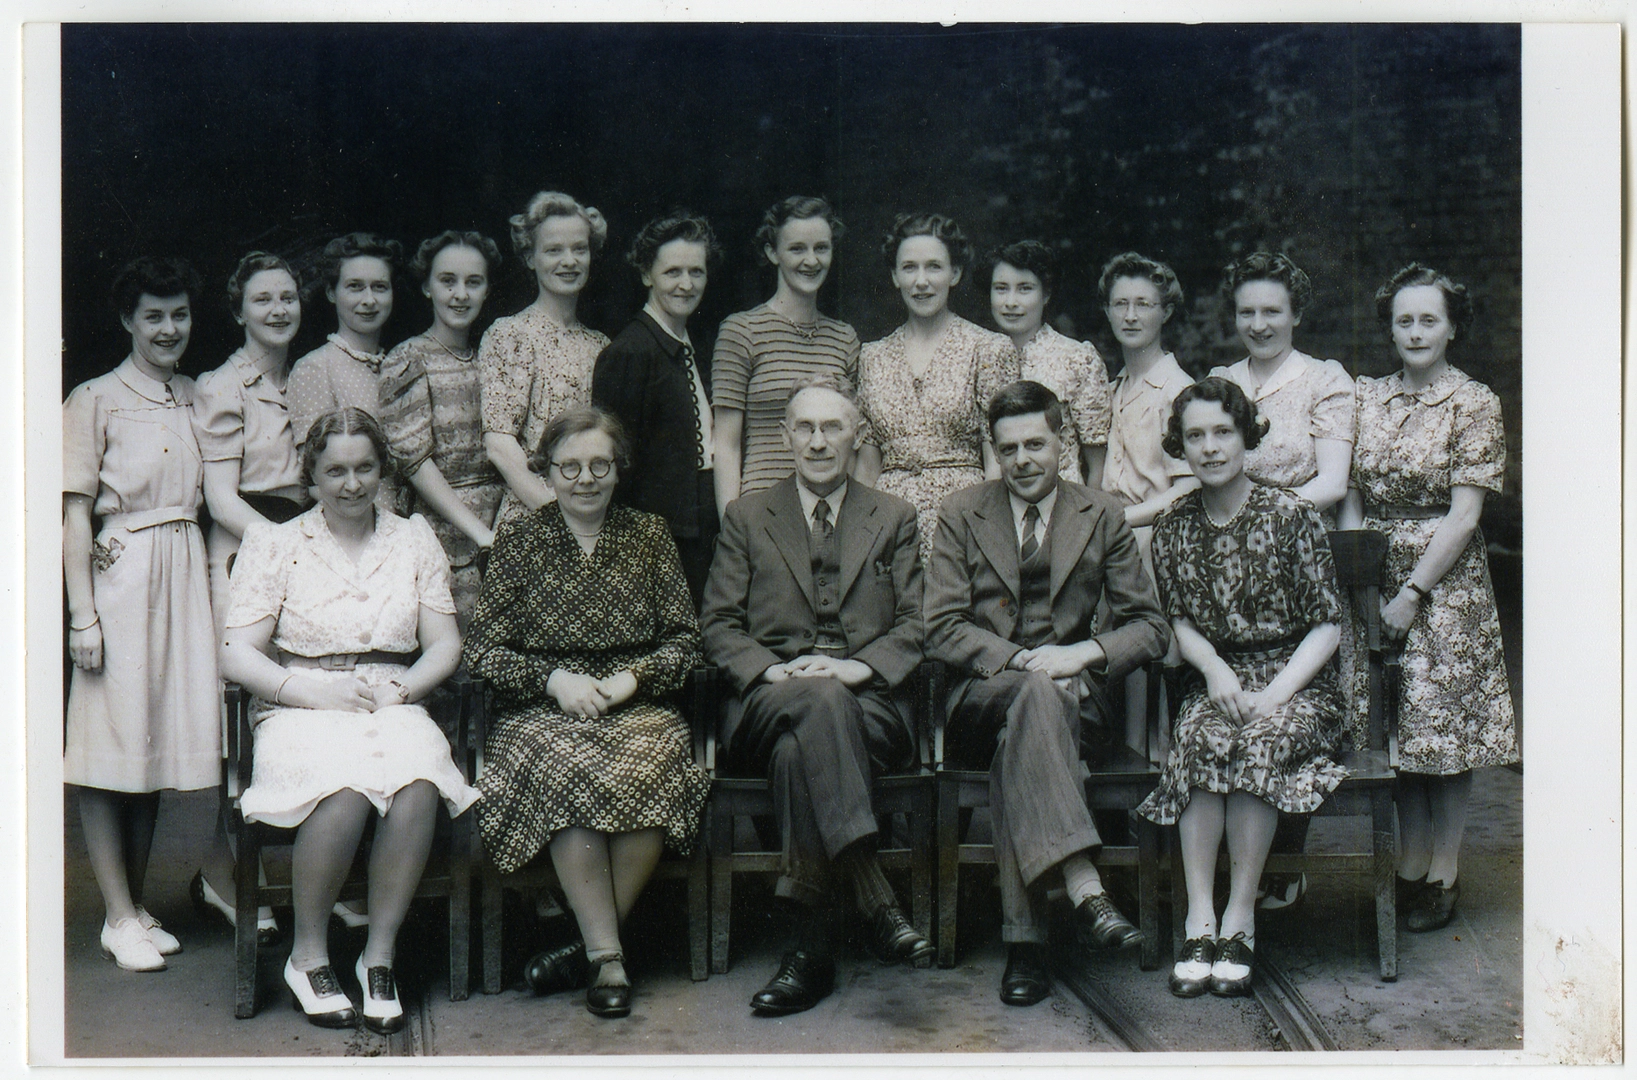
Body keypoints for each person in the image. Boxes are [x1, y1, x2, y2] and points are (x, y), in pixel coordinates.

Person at [219, 407, 479, 1033]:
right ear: (311, 479)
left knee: (417, 783)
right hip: (300, 702)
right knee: (342, 788)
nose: (352, 484)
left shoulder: (413, 536)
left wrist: (404, 687)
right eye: (335, 471)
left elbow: (444, 643)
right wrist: (304, 689)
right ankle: (307, 956)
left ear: (383, 472)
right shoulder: (276, 544)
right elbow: (235, 650)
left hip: (391, 698)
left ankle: (377, 957)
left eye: (365, 468)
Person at [925, 380, 1169, 1007]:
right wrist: (1022, 661)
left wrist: (1081, 654)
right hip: (981, 697)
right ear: (994, 452)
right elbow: (942, 626)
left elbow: (1150, 629)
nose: (1023, 460)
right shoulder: (959, 512)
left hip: (1075, 704)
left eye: (1036, 443)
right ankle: (1084, 881)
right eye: (1009, 449)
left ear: (1063, 442)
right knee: (1037, 694)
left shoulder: (1102, 512)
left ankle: (1025, 947)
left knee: (1030, 730)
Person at [701, 376, 935, 1017]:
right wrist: (771, 674)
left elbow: (919, 625)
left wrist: (856, 670)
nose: (818, 440)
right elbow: (718, 624)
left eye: (833, 427)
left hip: (868, 704)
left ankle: (808, 951)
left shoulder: (893, 516)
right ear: (784, 437)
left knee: (798, 751)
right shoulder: (748, 515)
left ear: (856, 437)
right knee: (813, 704)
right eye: (804, 427)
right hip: (766, 699)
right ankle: (875, 893)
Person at [465, 407, 709, 1020]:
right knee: (566, 762)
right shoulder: (519, 542)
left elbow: (685, 639)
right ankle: (608, 955)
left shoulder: (650, 536)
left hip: (637, 704)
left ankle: (587, 950)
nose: (585, 478)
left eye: (600, 464)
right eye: (569, 466)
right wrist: (553, 680)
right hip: (541, 710)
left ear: (618, 469)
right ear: (546, 472)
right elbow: (484, 649)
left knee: (653, 759)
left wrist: (632, 678)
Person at [1136, 377, 1346, 1000]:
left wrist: (1278, 692)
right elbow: (1180, 621)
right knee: (1199, 736)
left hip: (1299, 682)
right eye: (1195, 436)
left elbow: (1327, 626)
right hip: (1221, 678)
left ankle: (1241, 914)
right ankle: (1200, 917)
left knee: (1258, 739)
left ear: (1246, 436)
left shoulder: (1291, 514)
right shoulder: (1174, 525)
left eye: (1222, 432)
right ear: (1181, 444)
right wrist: (1215, 670)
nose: (1209, 447)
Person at [1338, 264, 1518, 933]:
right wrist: (1359, 569)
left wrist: (1412, 592)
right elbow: (1352, 491)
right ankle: (1406, 867)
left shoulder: (1473, 402)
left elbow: (1464, 514)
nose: (1414, 332)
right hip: (1372, 574)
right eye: (1403, 320)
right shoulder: (1365, 396)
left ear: (1450, 327)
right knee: (1392, 729)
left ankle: (1442, 870)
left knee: (1440, 734)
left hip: (1442, 588)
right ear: (1390, 327)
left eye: (1427, 320)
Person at [64, 256, 219, 972]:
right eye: (153, 315)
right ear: (128, 320)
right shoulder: (94, 398)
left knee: (151, 743)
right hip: (122, 572)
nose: (168, 328)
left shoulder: (197, 395)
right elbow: (71, 517)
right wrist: (82, 615)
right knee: (110, 743)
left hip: (185, 571)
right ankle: (117, 914)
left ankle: (137, 908)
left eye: (179, 314)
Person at [1211, 251, 1357, 913]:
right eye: (1247, 311)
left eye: (1272, 311)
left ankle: (1283, 855)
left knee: (1289, 697)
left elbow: (1330, 481)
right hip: (1228, 564)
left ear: (1295, 313)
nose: (1259, 323)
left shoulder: (1323, 380)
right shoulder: (1220, 380)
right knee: (1229, 694)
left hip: (1299, 557)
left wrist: (1263, 520)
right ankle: (1237, 852)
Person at [190, 252, 310, 944]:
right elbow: (220, 497)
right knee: (243, 717)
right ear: (238, 310)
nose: (277, 310)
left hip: (299, 545)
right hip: (245, 551)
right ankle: (227, 876)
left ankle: (303, 874)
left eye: (288, 298)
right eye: (262, 299)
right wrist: (290, 547)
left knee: (297, 711)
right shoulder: (222, 385)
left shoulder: (308, 377)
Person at [855, 212, 1020, 560]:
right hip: (888, 527)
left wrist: (987, 534)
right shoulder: (872, 356)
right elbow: (868, 464)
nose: (921, 281)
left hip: (963, 522)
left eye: (934, 267)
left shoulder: (987, 348)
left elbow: (999, 456)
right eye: (909, 268)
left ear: (955, 274)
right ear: (895, 276)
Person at [378, 230, 506, 630]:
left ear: (487, 290)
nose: (460, 294)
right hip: (443, 532)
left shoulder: (495, 352)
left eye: (474, 282)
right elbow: (415, 462)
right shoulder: (408, 359)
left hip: (503, 520)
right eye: (448, 281)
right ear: (426, 286)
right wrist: (482, 535)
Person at [593, 212, 722, 602]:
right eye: (673, 272)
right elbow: (616, 463)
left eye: (696, 272)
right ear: (647, 274)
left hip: (699, 532)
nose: (686, 284)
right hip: (658, 542)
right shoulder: (630, 352)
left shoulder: (691, 345)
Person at [712, 195, 860, 513]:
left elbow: (854, 443)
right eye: (797, 249)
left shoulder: (844, 337)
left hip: (829, 514)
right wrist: (732, 529)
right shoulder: (741, 330)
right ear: (772, 252)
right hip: (761, 510)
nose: (811, 260)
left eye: (821, 248)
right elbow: (725, 445)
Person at [480, 191, 611, 527]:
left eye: (579, 249)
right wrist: (560, 514)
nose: (569, 261)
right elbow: (499, 444)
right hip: (532, 520)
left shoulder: (601, 345)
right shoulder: (510, 334)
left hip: (590, 518)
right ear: (530, 258)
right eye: (554, 250)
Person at [286, 232, 407, 511]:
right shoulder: (315, 368)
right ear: (331, 292)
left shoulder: (400, 363)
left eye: (379, 287)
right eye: (355, 287)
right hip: (355, 526)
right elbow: (316, 480)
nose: (369, 300)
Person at [1096, 251, 1198, 562]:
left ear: (1166, 312)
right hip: (1112, 542)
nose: (1130, 316)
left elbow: (1190, 485)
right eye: (1120, 304)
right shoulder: (1112, 389)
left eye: (1143, 304)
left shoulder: (1178, 391)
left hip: (1158, 540)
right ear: (1107, 310)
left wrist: (1121, 521)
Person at [988, 240, 1111, 487]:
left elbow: (1097, 465)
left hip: (1063, 505)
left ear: (1045, 295)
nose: (1011, 302)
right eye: (1001, 288)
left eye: (1025, 289)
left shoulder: (1077, 359)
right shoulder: (979, 355)